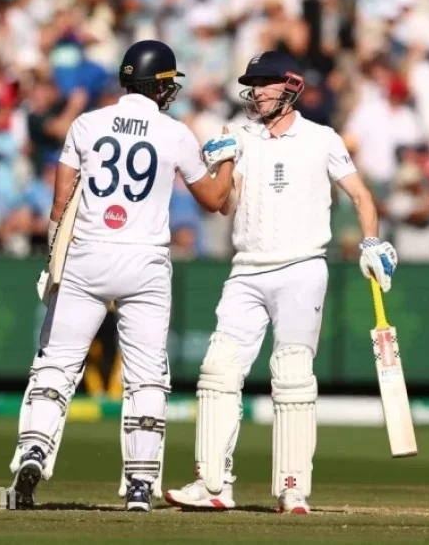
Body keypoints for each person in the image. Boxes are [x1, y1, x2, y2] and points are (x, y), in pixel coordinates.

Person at [164, 51, 398, 514]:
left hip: (301, 267)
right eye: (252, 84)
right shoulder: (237, 133)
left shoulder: (322, 138)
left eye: (265, 83)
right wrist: (223, 166)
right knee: (218, 370)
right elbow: (225, 206)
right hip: (247, 269)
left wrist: (371, 243)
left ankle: (293, 489)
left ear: (291, 87)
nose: (256, 92)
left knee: (292, 375)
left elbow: (361, 196)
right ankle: (213, 484)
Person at [7, 40, 236, 512]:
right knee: (147, 377)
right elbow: (215, 202)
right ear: (157, 85)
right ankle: (138, 484)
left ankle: (33, 451)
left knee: (55, 366)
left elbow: (59, 206)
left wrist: (54, 261)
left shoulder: (86, 124)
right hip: (144, 263)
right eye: (169, 83)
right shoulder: (174, 132)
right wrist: (228, 157)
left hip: (87, 256)